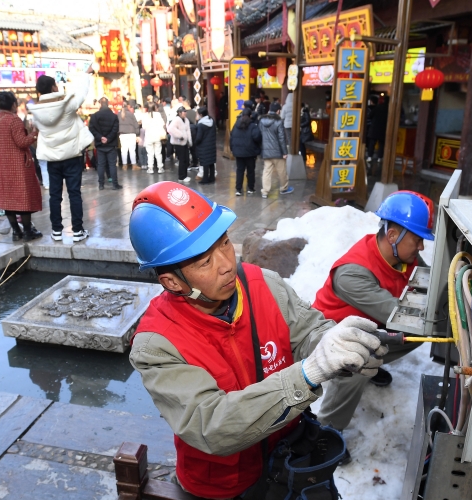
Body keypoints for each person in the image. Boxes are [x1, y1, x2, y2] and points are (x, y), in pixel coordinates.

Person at [128, 181, 386, 499]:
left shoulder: (261, 283)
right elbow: (210, 425)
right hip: (223, 485)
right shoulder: (156, 342)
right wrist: (307, 374)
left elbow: (307, 331)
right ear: (172, 281)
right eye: (204, 262)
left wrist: (338, 345)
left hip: (286, 456)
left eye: (224, 243)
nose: (226, 264)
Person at [313, 191, 433, 434]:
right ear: (392, 235)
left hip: (366, 325)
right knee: (357, 362)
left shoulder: (402, 255)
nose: (422, 246)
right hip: (331, 335)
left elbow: (427, 284)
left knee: (416, 335)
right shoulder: (353, 273)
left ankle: (372, 362)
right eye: (418, 239)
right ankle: (324, 432)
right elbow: (403, 316)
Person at [27, 72, 94, 242]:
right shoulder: (67, 105)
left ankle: (56, 230)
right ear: (53, 87)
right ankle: (77, 231)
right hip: (72, 155)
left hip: (52, 158)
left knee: (55, 195)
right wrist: (87, 74)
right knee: (74, 194)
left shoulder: (36, 111)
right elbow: (81, 92)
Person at [0, 91, 42, 242]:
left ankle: (16, 232)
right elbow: (22, 142)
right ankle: (27, 232)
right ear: (13, 105)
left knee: (8, 200)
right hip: (18, 166)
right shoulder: (14, 120)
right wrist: (34, 134)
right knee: (23, 199)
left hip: (2, 166)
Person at [259, 102, 293, 199]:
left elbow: (259, 135)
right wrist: (284, 152)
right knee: (282, 171)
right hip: (277, 152)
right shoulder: (278, 121)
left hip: (266, 151)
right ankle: (284, 188)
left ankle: (265, 192)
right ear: (278, 111)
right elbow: (282, 138)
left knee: (266, 172)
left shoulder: (261, 120)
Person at [88, 97, 122, 190]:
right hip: (110, 144)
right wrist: (108, 138)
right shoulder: (114, 116)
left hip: (100, 144)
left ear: (100, 104)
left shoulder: (94, 116)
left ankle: (101, 184)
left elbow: (91, 129)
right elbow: (115, 129)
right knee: (112, 164)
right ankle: (115, 184)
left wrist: (100, 137)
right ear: (108, 103)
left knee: (101, 165)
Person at [230, 109, 262, 196]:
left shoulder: (236, 125)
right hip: (250, 152)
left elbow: (231, 137)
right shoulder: (253, 126)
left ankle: (238, 189)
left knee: (240, 170)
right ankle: (250, 188)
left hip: (238, 153)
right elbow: (257, 137)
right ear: (250, 116)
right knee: (250, 170)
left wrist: (232, 149)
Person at [167, 106, 193, 183]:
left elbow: (188, 130)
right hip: (178, 143)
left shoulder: (186, 120)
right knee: (182, 160)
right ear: (179, 113)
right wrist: (180, 135)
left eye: (185, 112)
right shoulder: (176, 120)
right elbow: (170, 129)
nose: (185, 113)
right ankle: (181, 176)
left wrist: (189, 140)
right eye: (183, 112)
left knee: (186, 159)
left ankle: (184, 175)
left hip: (185, 142)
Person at [193, 107, 216, 185]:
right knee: (211, 162)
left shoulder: (201, 124)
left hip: (203, 146)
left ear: (201, 114)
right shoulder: (212, 120)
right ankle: (211, 177)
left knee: (205, 162)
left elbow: (199, 137)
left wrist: (195, 142)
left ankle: (205, 178)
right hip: (211, 144)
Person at [367, 96, 388, 175]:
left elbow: (370, 116)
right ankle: (380, 158)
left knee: (372, 144)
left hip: (374, 128)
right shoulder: (388, 109)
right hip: (383, 129)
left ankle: (370, 157)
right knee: (381, 144)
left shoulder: (377, 108)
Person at [142, 103, 166, 174]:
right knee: (158, 153)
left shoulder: (145, 115)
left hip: (149, 137)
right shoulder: (158, 114)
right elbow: (162, 124)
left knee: (150, 154)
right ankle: (160, 168)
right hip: (157, 136)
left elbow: (143, 127)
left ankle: (150, 168)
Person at [118, 103, 139, 170]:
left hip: (122, 134)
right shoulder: (131, 114)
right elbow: (136, 124)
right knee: (132, 150)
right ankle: (134, 165)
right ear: (128, 107)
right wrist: (137, 134)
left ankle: (124, 165)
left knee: (123, 150)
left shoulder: (118, 115)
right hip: (131, 133)